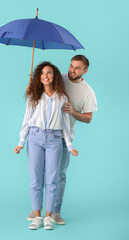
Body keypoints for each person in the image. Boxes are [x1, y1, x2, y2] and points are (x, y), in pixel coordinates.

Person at [27, 55, 98, 225]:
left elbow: (89, 118)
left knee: (58, 175)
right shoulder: (60, 78)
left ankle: (55, 211)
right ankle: (37, 210)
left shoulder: (87, 91)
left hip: (64, 135)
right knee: (39, 173)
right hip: (43, 133)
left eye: (77, 68)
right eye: (71, 66)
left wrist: (73, 112)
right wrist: (33, 85)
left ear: (85, 71)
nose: (72, 70)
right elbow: (44, 82)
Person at [14, 62, 78, 230]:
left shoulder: (62, 97)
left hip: (55, 140)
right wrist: (21, 142)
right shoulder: (33, 96)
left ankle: (48, 217)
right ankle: (37, 217)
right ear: (38, 77)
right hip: (35, 138)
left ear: (54, 76)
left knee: (52, 179)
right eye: (42, 73)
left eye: (49, 73)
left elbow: (65, 124)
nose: (45, 76)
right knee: (35, 179)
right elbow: (26, 120)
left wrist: (70, 145)